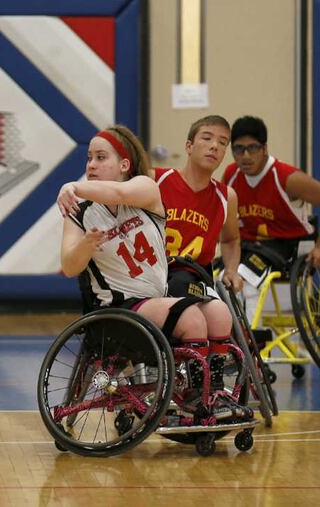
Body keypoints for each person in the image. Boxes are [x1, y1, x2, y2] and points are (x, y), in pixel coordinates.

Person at [57, 124, 248, 420]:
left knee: (220, 312)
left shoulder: (145, 188)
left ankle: (216, 391)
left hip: (158, 299)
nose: (91, 165)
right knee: (192, 317)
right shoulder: (79, 212)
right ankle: (197, 396)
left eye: (100, 157)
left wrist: (73, 186)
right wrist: (86, 243)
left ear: (124, 164)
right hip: (118, 311)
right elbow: (70, 266)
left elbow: (119, 191)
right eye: (89, 158)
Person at [222, 115, 320, 324]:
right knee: (220, 278)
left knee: (245, 280)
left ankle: (250, 346)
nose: (246, 155)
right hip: (251, 246)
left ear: (265, 148)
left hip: (290, 244)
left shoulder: (288, 178)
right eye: (239, 149)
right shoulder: (231, 175)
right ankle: (227, 342)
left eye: (253, 148)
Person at [154, 115, 243, 296]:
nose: (214, 146)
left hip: (193, 278)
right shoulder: (156, 179)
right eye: (207, 138)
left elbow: (230, 240)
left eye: (223, 142)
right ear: (189, 146)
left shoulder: (226, 197)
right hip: (150, 272)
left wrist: (231, 270)